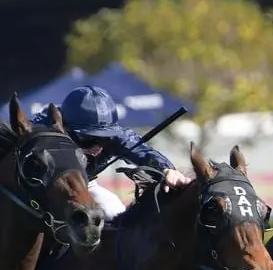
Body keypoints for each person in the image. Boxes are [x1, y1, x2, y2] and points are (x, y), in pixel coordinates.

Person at [30, 85, 191, 219]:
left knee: (113, 211)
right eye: (89, 138)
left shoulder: (116, 135)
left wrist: (167, 169)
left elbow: (143, 152)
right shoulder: (42, 130)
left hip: (83, 184)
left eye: (105, 138)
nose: (98, 146)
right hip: (38, 190)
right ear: (64, 127)